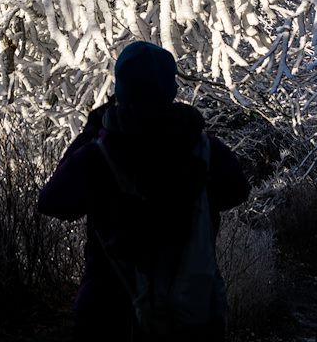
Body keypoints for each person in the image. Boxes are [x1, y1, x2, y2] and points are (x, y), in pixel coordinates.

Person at [38, 41, 251, 342]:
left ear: (122, 90)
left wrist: (92, 130)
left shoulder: (98, 154)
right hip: (190, 311)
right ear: (171, 89)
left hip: (108, 313)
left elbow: (52, 202)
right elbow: (237, 191)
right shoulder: (203, 148)